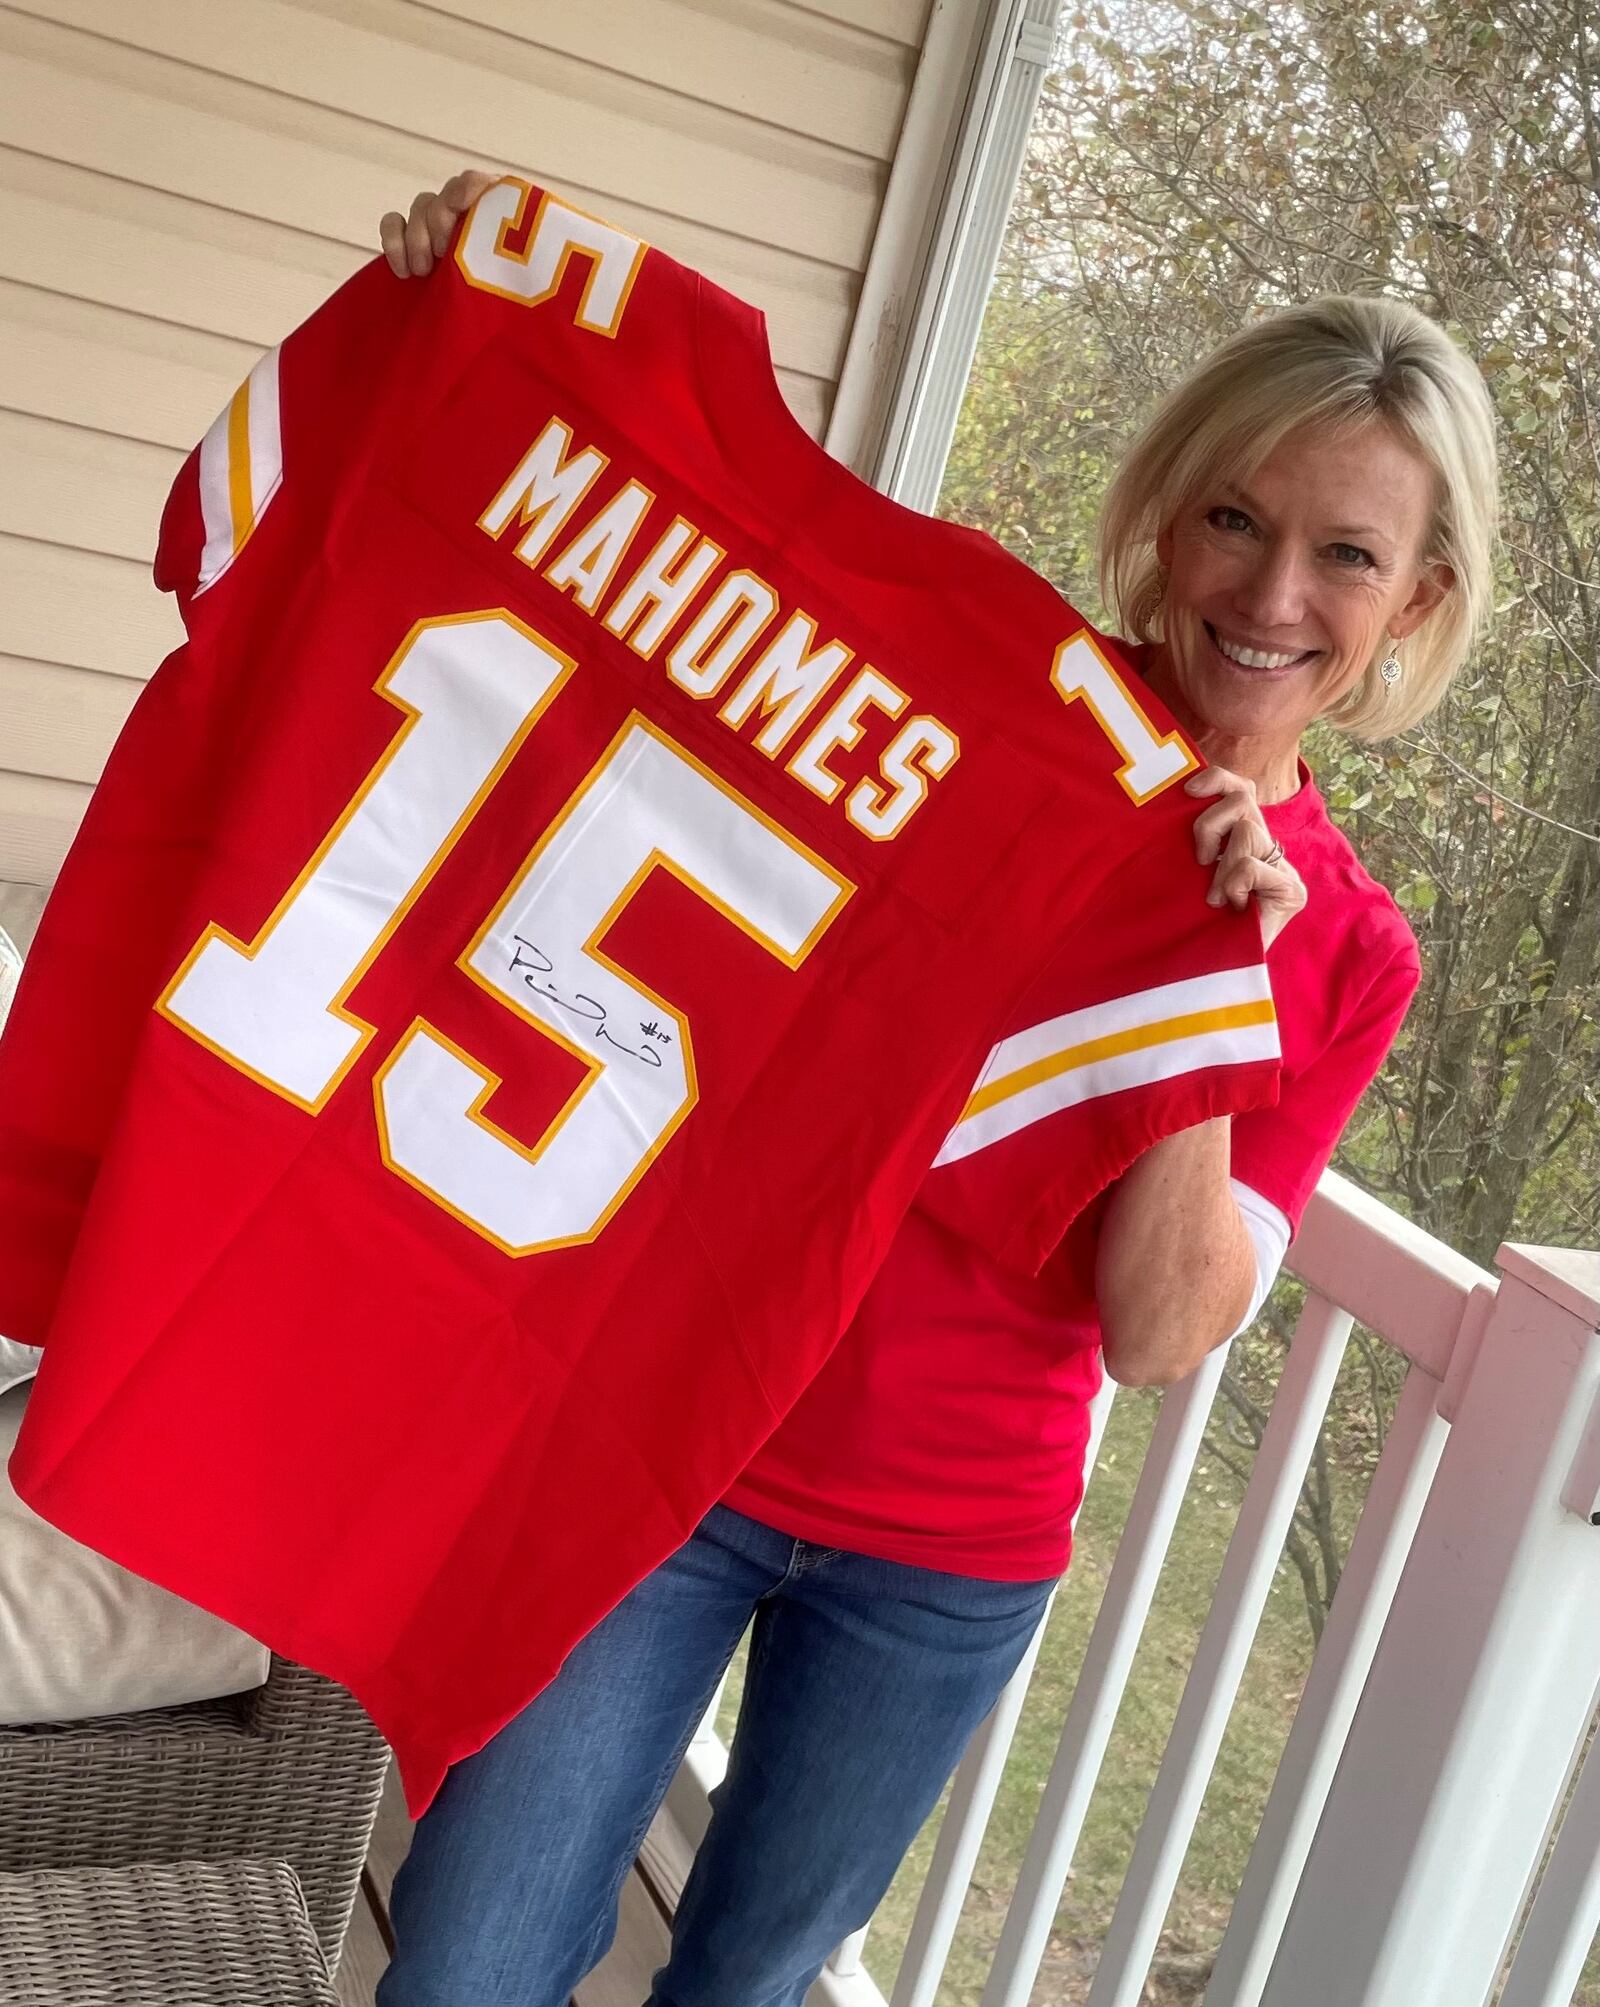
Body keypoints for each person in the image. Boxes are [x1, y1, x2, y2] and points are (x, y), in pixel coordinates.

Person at [372, 176, 1497, 2007]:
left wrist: (1202, 988)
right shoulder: (961, 717)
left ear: (1416, 597)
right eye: (1233, 516)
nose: (1273, 594)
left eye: (1348, 555)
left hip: (947, 1566)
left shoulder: (1350, 953)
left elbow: (1158, 1329)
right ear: (1165, 513)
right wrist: (485, 330)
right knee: (465, 1961)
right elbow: (649, 617)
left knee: (743, 1984)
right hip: (677, 1451)